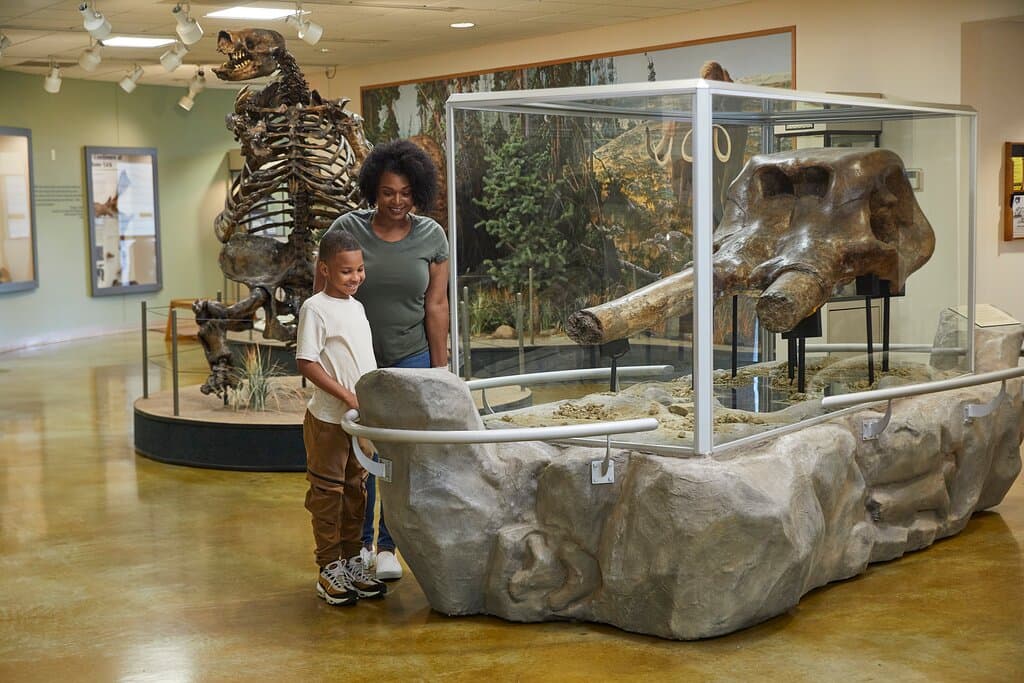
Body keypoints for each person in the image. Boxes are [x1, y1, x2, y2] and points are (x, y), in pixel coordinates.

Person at [320, 138, 450, 581]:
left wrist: (440, 369)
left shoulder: (432, 236)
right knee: (362, 461)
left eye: (407, 193)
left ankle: (390, 547)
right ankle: (358, 545)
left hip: (410, 361)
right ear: (374, 188)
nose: (397, 201)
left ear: (419, 193)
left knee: (398, 458)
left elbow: (436, 305)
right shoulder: (346, 229)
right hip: (359, 367)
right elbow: (323, 296)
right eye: (389, 191)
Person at [296, 228, 387, 606]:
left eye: (360, 270)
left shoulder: (358, 308)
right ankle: (328, 567)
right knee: (328, 494)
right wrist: (347, 395)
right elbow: (306, 361)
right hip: (330, 422)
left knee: (356, 493)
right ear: (326, 270)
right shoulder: (314, 308)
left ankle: (352, 560)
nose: (355, 278)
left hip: (358, 423)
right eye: (347, 271)